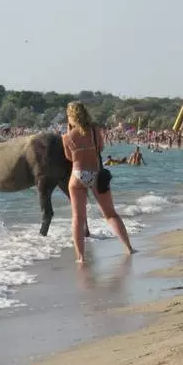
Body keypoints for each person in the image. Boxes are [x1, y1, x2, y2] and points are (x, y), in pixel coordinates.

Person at [62, 101, 135, 263]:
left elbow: (69, 157)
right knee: (110, 214)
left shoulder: (67, 137)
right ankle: (128, 248)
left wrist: (71, 131)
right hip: (95, 173)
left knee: (78, 218)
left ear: (71, 117)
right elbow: (100, 148)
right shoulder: (95, 131)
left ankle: (80, 257)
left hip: (77, 175)